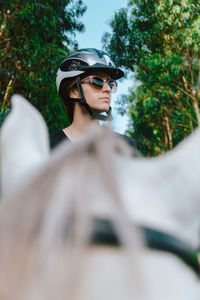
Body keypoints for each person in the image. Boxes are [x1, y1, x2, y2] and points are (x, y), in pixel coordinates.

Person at [50, 48, 137, 152]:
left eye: (110, 83)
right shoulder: (49, 146)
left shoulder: (124, 146)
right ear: (74, 91)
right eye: (97, 82)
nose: (108, 89)